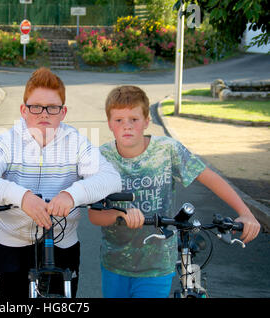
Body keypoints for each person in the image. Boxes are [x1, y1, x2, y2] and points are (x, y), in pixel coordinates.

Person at [88, 85, 261, 298]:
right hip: (115, 263)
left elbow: (210, 177)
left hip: (158, 264)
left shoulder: (167, 150)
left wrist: (246, 212)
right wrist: (119, 214)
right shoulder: (101, 157)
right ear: (109, 124)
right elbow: (94, 215)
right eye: (119, 120)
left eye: (134, 119)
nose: (127, 126)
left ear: (146, 122)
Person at [0, 67, 123, 298]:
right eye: (35, 107)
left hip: (63, 244)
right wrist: (22, 197)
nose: (44, 114)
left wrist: (71, 195)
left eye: (52, 108)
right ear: (23, 110)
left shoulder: (76, 143)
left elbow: (111, 178)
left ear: (63, 112)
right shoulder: (7, 142)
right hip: (12, 244)